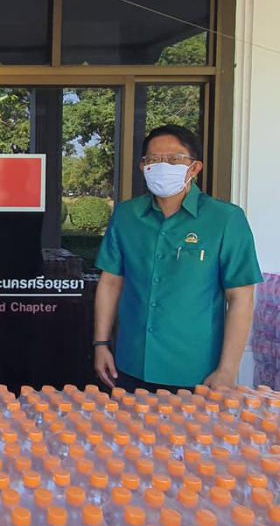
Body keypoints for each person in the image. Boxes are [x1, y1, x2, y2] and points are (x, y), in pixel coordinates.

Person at [94, 125, 262, 392]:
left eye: (174, 159)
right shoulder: (127, 216)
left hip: (195, 370)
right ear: (143, 166)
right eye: (154, 159)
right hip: (130, 363)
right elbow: (111, 282)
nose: (163, 166)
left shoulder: (225, 219)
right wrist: (101, 343)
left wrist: (228, 370)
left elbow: (241, 297)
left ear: (195, 168)